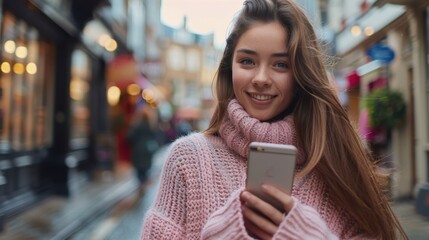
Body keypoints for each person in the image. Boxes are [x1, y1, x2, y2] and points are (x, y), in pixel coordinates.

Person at [140, 0, 408, 239]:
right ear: (228, 68)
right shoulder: (188, 159)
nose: (260, 78)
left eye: (280, 64)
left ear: (301, 74)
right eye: (247, 61)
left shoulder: (337, 165)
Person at [126, 104, 159, 195]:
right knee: (145, 169)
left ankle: (141, 184)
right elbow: (157, 137)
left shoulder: (136, 125)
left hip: (138, 150)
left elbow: (130, 137)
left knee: (139, 169)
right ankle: (143, 183)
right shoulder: (151, 125)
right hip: (148, 150)